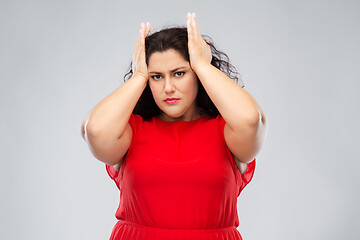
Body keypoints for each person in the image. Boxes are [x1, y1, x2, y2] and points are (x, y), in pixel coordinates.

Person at [81, 12, 267, 240]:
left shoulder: (227, 131)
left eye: (179, 73)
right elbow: (95, 131)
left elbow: (251, 120)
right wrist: (140, 75)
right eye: (157, 77)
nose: (168, 87)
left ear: (197, 75)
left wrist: (202, 65)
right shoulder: (132, 130)